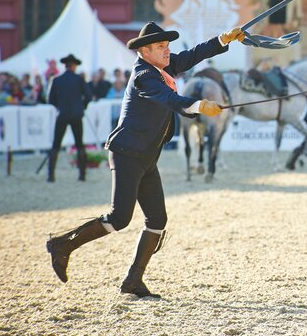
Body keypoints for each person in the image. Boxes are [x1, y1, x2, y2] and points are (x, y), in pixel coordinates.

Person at [46, 22, 245, 299]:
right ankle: (62, 245)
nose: (168, 51)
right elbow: (168, 98)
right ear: (145, 50)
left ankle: (132, 281)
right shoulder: (144, 76)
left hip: (147, 155)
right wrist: (199, 106)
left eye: (167, 46)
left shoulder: (162, 67)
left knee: (157, 218)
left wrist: (223, 40)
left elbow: (192, 55)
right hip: (127, 153)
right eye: (162, 47)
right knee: (119, 219)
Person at [46, 54, 92, 182]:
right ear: (74, 66)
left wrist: (60, 106)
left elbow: (50, 99)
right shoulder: (79, 79)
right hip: (76, 114)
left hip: (62, 114)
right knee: (79, 144)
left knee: (56, 144)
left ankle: (51, 176)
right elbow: (88, 97)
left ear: (65, 65)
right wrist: (82, 107)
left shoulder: (57, 79)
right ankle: (82, 175)